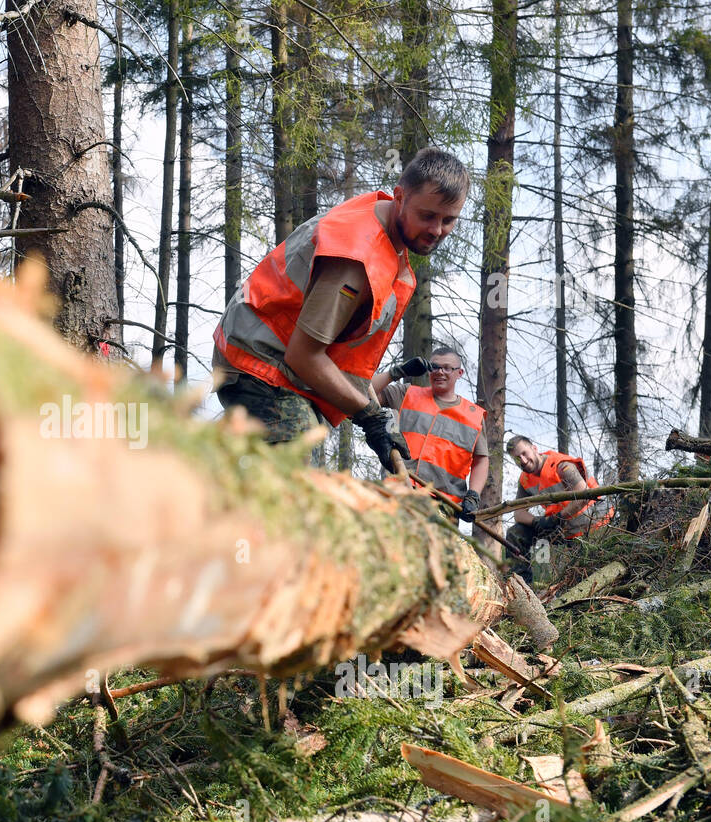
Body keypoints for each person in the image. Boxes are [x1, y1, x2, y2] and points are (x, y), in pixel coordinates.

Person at [212, 147, 470, 470]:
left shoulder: (389, 237)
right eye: (428, 216)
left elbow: (347, 362)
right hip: (256, 364)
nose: (437, 230)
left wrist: (380, 423)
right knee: (300, 469)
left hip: (284, 366)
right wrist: (368, 415)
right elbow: (303, 356)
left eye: (449, 220)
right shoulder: (356, 259)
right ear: (400, 197)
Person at [371, 346, 488, 522]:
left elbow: (481, 459)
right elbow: (363, 389)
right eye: (434, 367)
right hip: (398, 493)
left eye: (447, 368)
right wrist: (397, 372)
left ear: (460, 373)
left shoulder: (474, 416)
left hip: (443, 507)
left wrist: (473, 495)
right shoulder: (406, 393)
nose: (439, 372)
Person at [504, 435, 615, 581]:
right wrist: (538, 521)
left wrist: (558, 517)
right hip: (562, 526)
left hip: (593, 521)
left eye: (524, 453)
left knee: (586, 574)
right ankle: (521, 586)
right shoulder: (525, 480)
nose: (523, 461)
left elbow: (584, 495)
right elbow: (518, 513)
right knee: (516, 533)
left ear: (534, 448)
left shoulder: (561, 465)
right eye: (517, 458)